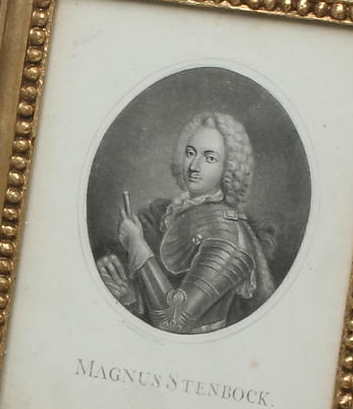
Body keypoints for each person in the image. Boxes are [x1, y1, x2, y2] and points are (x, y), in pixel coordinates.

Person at [97, 112, 276, 334]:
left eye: (210, 158)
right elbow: (161, 298)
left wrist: (136, 243)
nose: (194, 166)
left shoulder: (228, 234)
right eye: (190, 153)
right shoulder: (176, 215)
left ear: (228, 169)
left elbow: (173, 321)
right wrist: (129, 296)